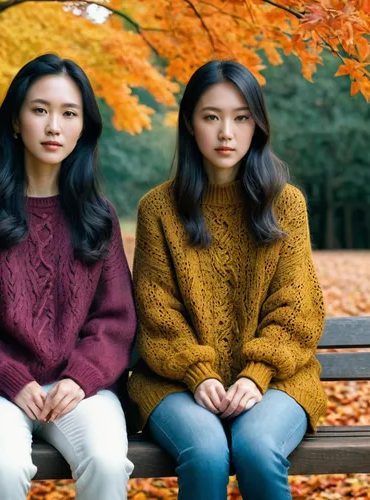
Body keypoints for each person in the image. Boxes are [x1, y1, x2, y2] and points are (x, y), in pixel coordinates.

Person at [0, 53, 136, 500]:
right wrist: (8, 377)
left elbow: (115, 321)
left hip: (75, 389)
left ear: (84, 128)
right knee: (4, 468)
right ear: (17, 121)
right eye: (40, 109)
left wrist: (81, 376)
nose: (54, 126)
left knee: (108, 463)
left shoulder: (99, 216)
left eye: (69, 113)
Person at [127, 60, 327, 500]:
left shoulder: (286, 204)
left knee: (256, 447)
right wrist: (198, 374)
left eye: (241, 118)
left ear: (258, 125)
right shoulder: (158, 210)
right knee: (206, 451)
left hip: (276, 379)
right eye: (211, 117)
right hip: (176, 381)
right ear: (190, 123)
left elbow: (297, 308)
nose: (226, 133)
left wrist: (255, 375)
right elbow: (157, 313)